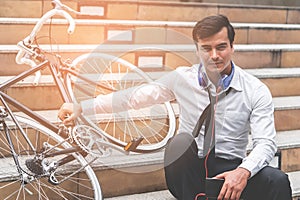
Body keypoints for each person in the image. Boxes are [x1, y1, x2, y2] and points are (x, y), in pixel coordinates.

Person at [58, 15, 292, 200]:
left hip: (230, 171)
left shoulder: (255, 90)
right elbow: (135, 97)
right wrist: (82, 107)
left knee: (278, 181)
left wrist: (243, 172)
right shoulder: (182, 78)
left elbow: (266, 142)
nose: (214, 56)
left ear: (232, 46)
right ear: (197, 49)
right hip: (191, 169)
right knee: (179, 142)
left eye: (221, 47)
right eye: (206, 48)